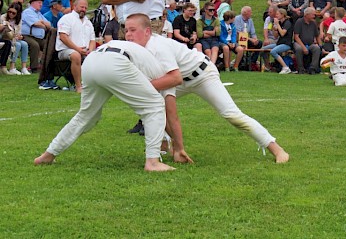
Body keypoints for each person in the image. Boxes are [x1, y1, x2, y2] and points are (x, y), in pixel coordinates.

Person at [125, 14, 289, 163]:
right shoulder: (139, 51)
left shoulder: (158, 47)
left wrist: (144, 87)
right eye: (126, 31)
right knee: (150, 103)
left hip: (203, 74)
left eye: (133, 30)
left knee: (232, 115)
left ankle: (277, 149)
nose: (128, 35)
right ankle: (165, 143)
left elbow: (174, 79)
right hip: (179, 79)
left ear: (147, 31)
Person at [34, 40, 179, 172]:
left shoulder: (138, 50)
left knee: (86, 116)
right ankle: (152, 162)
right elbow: (166, 109)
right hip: (115, 62)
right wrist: (178, 145)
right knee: (155, 105)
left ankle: (48, 155)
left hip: (91, 61)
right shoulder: (159, 67)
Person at [55, 0, 96, 93]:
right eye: (82, 7)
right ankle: (78, 86)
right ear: (74, 6)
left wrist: (90, 50)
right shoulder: (66, 19)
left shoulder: (88, 22)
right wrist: (77, 49)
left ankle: (94, 86)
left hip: (84, 50)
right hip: (65, 50)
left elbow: (92, 40)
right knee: (76, 55)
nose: (84, 9)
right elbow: (63, 37)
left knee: (98, 56)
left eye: (86, 8)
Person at [21, 0, 51, 73]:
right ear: (33, 3)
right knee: (35, 45)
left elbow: (49, 25)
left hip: (38, 37)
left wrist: (42, 22)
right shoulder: (27, 12)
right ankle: (34, 67)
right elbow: (36, 24)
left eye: (41, 3)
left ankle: (45, 66)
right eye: (39, 3)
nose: (41, 5)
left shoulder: (39, 14)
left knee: (48, 45)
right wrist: (42, 23)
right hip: (26, 36)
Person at [1, 3, 30, 75]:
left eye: (13, 13)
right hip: (6, 37)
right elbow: (3, 32)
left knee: (24, 44)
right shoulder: (3, 17)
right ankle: (12, 67)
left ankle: (24, 67)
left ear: (17, 14)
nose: (11, 14)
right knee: (17, 44)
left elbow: (19, 32)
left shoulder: (18, 20)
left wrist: (19, 36)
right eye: (9, 12)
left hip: (14, 38)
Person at [263, 9, 294, 74]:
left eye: (277, 14)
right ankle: (267, 66)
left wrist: (277, 24)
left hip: (286, 44)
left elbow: (282, 33)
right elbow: (276, 36)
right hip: (279, 43)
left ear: (282, 15)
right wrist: (274, 29)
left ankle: (285, 67)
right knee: (263, 49)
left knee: (273, 51)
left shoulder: (287, 23)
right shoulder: (280, 23)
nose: (276, 16)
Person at [293, 7, 321, 74]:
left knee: (317, 48)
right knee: (298, 49)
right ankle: (300, 68)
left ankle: (313, 68)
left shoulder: (313, 23)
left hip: (310, 43)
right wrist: (303, 47)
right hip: (299, 42)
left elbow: (317, 35)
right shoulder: (299, 22)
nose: (314, 16)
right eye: (313, 15)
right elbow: (296, 37)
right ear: (307, 15)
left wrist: (320, 45)